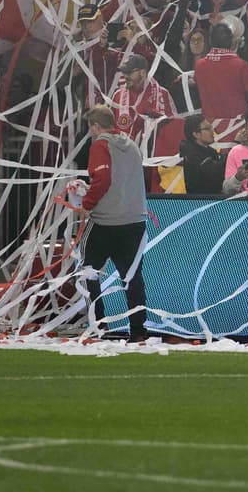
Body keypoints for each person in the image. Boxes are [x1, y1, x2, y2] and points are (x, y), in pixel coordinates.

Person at [77, 105, 148, 341]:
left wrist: (86, 203)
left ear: (96, 126)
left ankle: (98, 325)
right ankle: (138, 330)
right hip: (134, 220)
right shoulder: (132, 145)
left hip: (105, 222)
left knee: (88, 271)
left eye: (90, 128)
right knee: (132, 277)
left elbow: (103, 179)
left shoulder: (100, 145)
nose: (90, 133)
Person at [194, 23, 248, 120]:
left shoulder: (199, 65)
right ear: (231, 42)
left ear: (210, 41)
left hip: (210, 125)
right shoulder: (241, 65)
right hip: (236, 124)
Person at [179, 115, 225, 195]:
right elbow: (214, 172)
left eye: (211, 127)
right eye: (208, 128)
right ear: (196, 134)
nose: (212, 131)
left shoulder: (210, 151)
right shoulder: (192, 155)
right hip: (201, 200)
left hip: (215, 198)